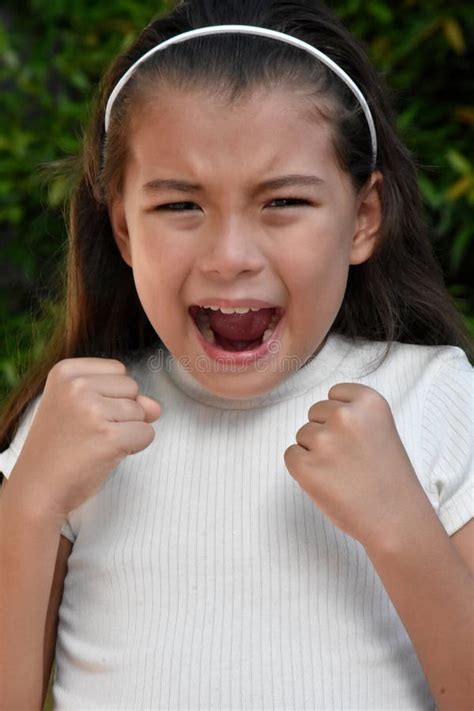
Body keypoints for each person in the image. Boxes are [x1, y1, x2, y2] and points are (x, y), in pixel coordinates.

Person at [0, 0, 472, 708]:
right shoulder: (70, 427)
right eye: (180, 206)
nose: (229, 258)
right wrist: (30, 500)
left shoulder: (433, 396)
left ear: (363, 219)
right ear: (124, 228)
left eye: (282, 202)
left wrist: (401, 526)